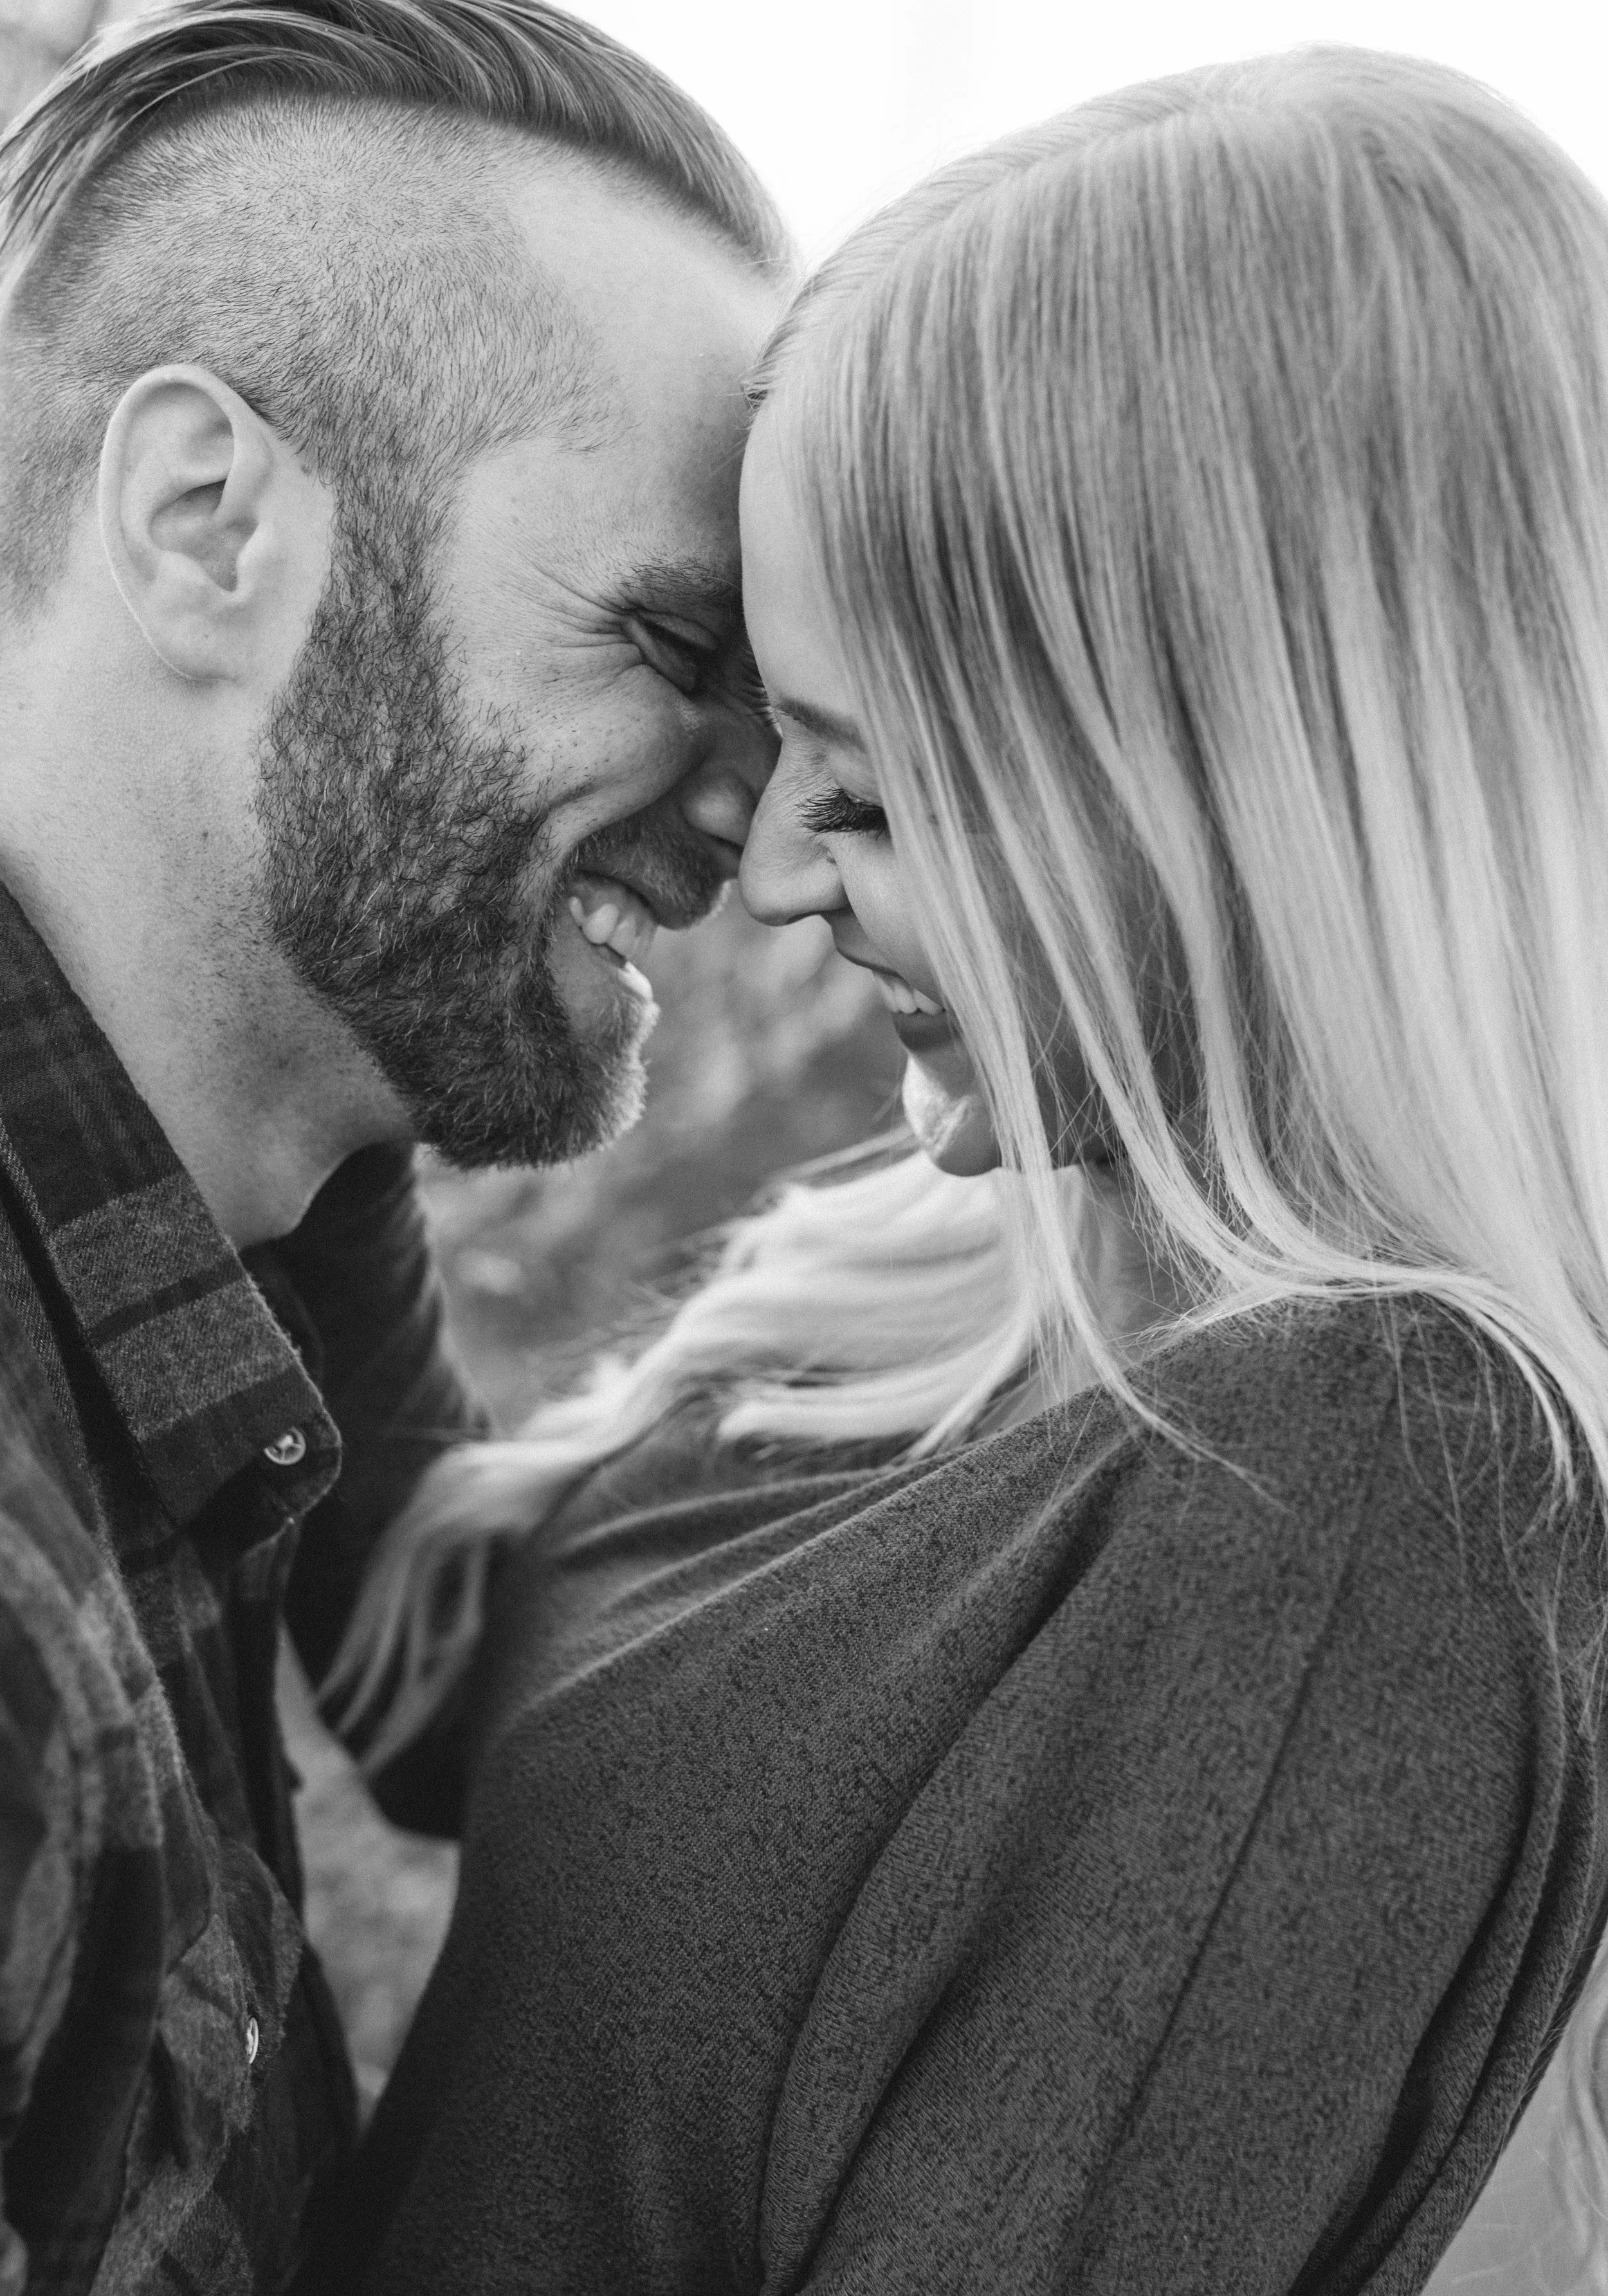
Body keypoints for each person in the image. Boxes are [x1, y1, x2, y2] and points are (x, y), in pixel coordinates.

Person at [319, 45, 1608, 2295]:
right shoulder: (970, 1253)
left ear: (1229, 789)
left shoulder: (1364, 1503)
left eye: (876, 789)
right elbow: (465, 1714)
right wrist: (297, 1011)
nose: (770, 876)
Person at [0, 0, 781, 2286]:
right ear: (209, 521)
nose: (765, 829)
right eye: (674, 643)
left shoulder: (209, 1233)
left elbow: (451, 1709)